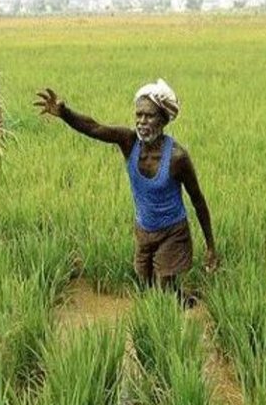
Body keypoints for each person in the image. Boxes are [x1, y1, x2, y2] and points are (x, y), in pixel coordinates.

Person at [34, 79, 218, 306]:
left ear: (163, 119)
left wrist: (210, 246)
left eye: (148, 116)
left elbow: (198, 200)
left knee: (163, 290)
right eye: (138, 115)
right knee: (146, 285)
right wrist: (65, 113)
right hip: (144, 230)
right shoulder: (129, 141)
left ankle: (171, 318)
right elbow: (95, 127)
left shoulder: (178, 158)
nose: (141, 121)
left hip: (173, 231)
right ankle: (184, 301)